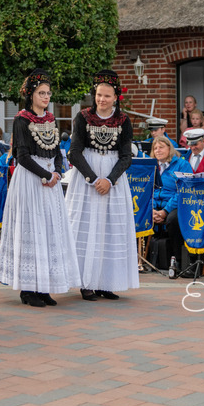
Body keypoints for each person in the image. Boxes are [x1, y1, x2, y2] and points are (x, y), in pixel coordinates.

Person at [0, 70, 80, 308]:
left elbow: (57, 151)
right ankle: (28, 287)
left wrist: (57, 171)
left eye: (48, 93)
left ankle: (44, 286)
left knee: (49, 230)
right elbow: (21, 156)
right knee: (30, 230)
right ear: (30, 94)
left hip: (49, 179)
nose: (45, 97)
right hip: (31, 180)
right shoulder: (22, 120)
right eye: (41, 93)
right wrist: (45, 175)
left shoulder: (50, 119)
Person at [65, 69, 137, 301]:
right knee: (86, 229)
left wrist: (111, 179)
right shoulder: (83, 117)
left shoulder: (124, 120)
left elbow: (126, 156)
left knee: (110, 229)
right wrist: (94, 179)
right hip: (87, 177)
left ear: (116, 97)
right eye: (98, 95)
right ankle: (86, 282)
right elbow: (74, 152)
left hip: (113, 178)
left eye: (107, 96)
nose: (102, 100)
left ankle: (106, 282)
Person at [149, 135, 191, 277]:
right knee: (138, 213)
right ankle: (140, 259)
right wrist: (153, 210)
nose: (158, 150)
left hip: (175, 205)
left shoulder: (182, 165)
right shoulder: (152, 166)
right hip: (156, 206)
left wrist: (165, 211)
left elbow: (182, 191)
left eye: (161, 147)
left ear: (169, 148)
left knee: (173, 219)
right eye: (155, 148)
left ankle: (178, 260)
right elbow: (149, 190)